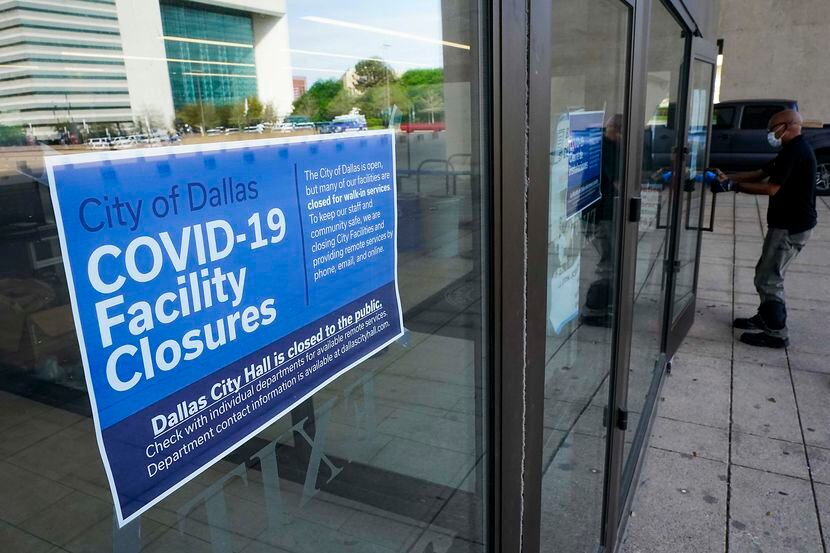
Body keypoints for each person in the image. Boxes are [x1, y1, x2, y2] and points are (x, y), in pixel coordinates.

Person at [714, 109, 817, 348]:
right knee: (765, 270)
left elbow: (771, 188)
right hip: (787, 223)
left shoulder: (797, 152)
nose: (771, 134)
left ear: (789, 126)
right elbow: (761, 172)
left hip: (791, 226)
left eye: (773, 129)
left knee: (769, 278)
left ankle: (776, 333)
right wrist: (730, 178)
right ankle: (765, 316)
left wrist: (733, 187)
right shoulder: (789, 150)